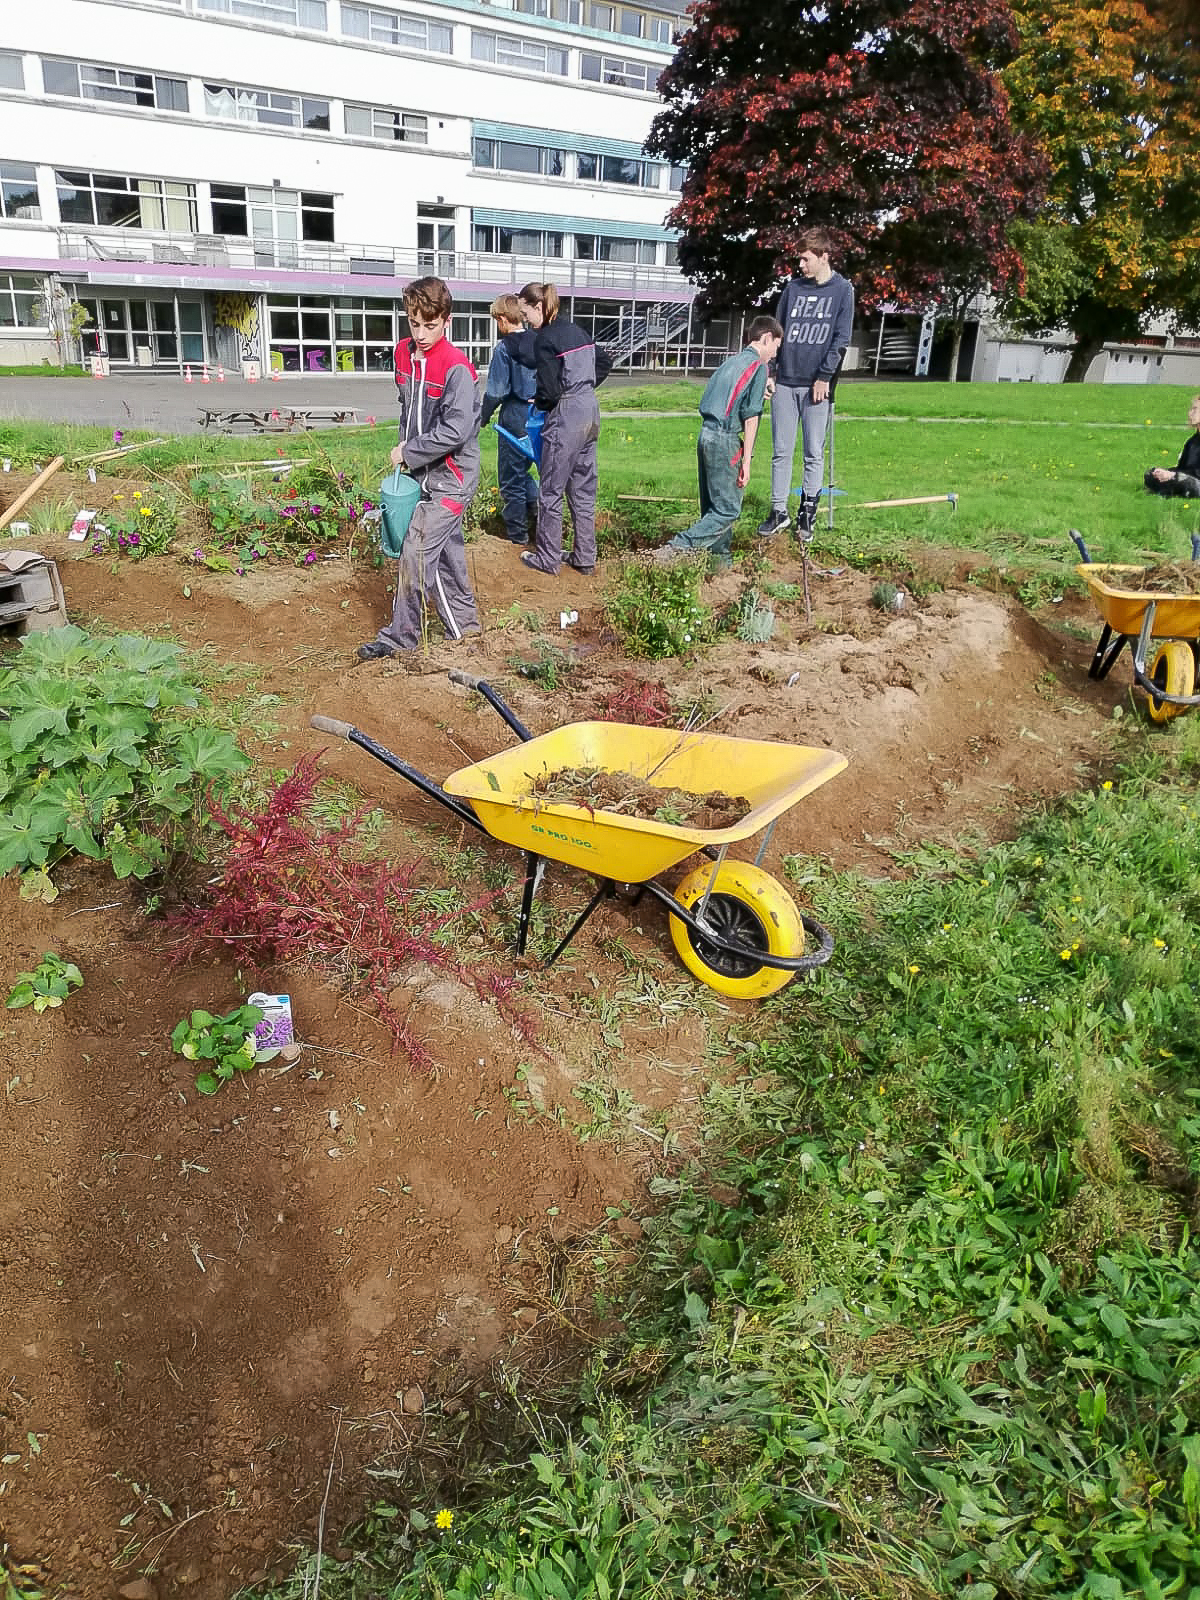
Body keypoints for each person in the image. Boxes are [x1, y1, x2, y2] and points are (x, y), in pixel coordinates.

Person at [357, 276, 481, 663]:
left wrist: (409, 453)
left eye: (431, 324)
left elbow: (456, 430)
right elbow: (407, 409)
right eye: (415, 323)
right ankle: (466, 631)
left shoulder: (457, 369)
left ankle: (401, 637)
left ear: (447, 320)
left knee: (416, 550)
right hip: (419, 477)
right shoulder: (402, 355)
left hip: (452, 480)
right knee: (445, 556)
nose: (422, 333)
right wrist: (409, 461)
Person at [653, 315, 783, 570]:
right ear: (766, 338)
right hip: (725, 440)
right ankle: (677, 547)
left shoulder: (730, 363)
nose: (774, 355)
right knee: (727, 510)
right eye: (775, 348)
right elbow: (751, 416)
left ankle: (719, 563)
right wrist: (747, 461)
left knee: (713, 507)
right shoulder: (759, 367)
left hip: (706, 435)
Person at [757, 227, 855, 544]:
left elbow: (841, 339)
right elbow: (777, 333)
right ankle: (777, 511)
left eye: (805, 258)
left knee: (813, 452)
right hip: (785, 382)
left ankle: (807, 513)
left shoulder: (843, 291)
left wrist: (824, 377)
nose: (800, 265)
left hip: (817, 387)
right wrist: (770, 372)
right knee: (780, 451)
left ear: (824, 256)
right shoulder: (792, 290)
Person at [517, 282, 612, 577]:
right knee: (583, 489)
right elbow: (605, 361)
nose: (525, 322)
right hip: (591, 409)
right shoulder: (577, 331)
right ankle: (584, 558)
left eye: (525, 314)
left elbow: (549, 390)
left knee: (550, 490)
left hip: (567, 414)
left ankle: (547, 558)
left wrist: (542, 402)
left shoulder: (544, 339)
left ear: (537, 307)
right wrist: (584, 386)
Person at [479, 294, 539, 544]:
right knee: (525, 470)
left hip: (514, 417)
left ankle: (517, 537)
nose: (497, 325)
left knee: (511, 478)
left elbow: (496, 391)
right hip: (538, 416)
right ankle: (536, 516)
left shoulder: (504, 349)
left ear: (503, 319)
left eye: (497, 320)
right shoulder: (538, 341)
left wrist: (482, 417)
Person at [1144, 396, 1200, 498]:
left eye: (1195, 409)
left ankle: (1170, 490)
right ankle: (1172, 490)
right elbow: (1182, 468)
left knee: (1187, 482)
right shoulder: (1192, 441)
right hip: (1186, 478)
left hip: (1195, 482)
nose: (1190, 413)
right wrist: (1167, 473)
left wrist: (1173, 475)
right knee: (1150, 474)